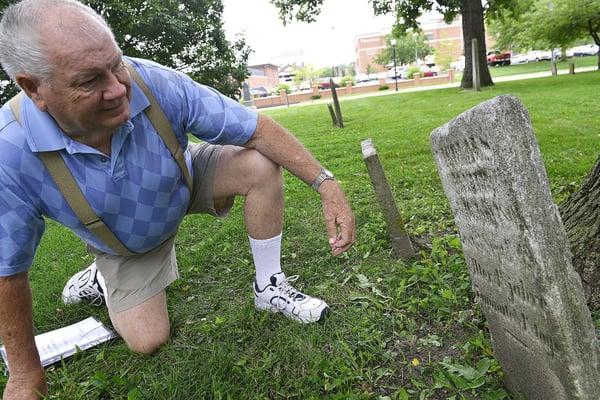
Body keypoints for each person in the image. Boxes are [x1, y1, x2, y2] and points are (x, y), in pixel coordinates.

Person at [0, 0, 355, 398]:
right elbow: (8, 270)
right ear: (33, 87)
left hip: (180, 180)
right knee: (148, 340)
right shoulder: (9, 152)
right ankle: (101, 277)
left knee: (258, 164)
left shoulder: (153, 81)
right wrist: (26, 373)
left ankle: (269, 286)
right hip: (125, 241)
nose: (118, 89)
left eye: (116, 64)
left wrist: (326, 183)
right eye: (89, 81)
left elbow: (256, 129)